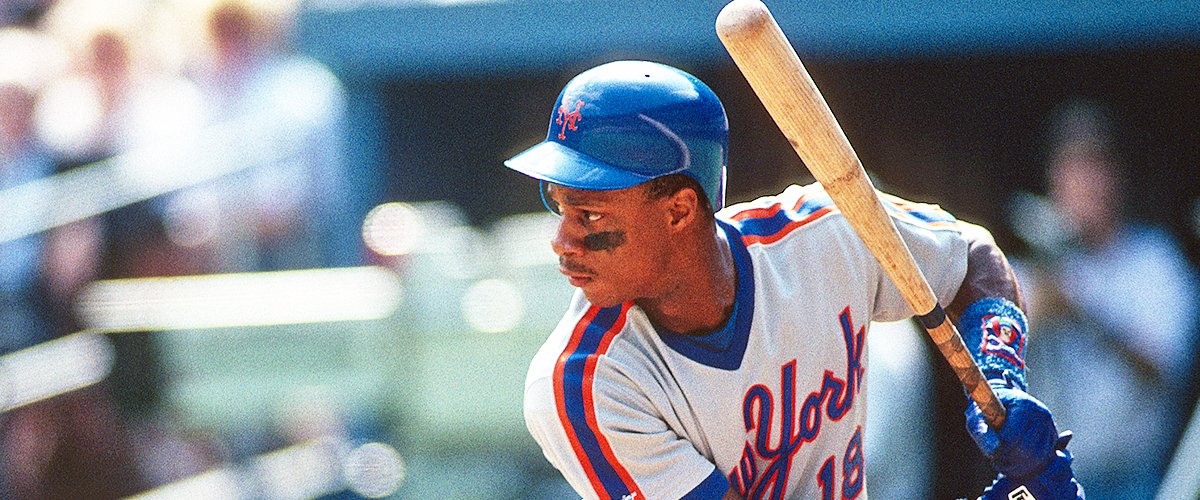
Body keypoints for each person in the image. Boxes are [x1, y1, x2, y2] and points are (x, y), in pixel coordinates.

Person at [506, 60, 1083, 499]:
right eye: (561, 209)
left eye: (590, 215)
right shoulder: (582, 384)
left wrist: (1001, 378)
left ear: (680, 210)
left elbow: (970, 259)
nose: (562, 241)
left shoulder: (821, 236)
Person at [1013, 99, 1198, 498]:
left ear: (1117, 175)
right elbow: (989, 370)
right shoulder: (1027, 266)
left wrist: (1081, 314)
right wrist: (1043, 302)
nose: (1087, 182)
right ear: (1053, 179)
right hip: (1046, 479)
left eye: (1096, 166)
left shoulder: (1154, 260)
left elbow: (1163, 368)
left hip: (1133, 480)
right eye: (1073, 168)